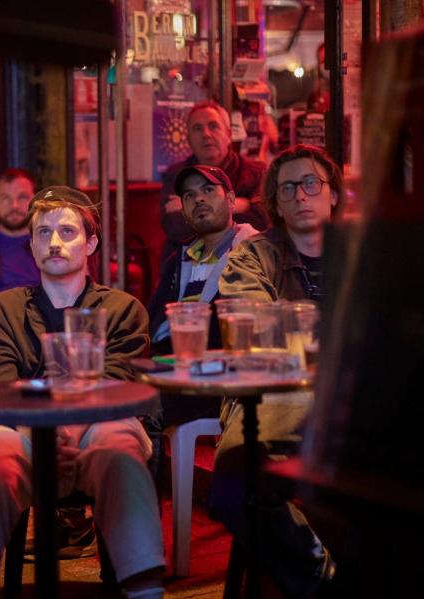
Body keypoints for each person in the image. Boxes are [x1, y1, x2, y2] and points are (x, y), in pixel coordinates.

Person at [0, 186, 165, 599]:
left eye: (67, 231)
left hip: (97, 425)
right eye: (43, 233)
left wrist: (61, 433)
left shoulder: (122, 309)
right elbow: (0, 388)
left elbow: (114, 385)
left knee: (119, 444)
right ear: (31, 245)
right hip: (18, 431)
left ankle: (141, 587)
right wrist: (39, 437)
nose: (55, 242)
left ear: (91, 242)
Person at [210, 145, 341, 597]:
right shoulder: (253, 256)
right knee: (233, 482)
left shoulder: (368, 253)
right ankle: (322, 578)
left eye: (311, 184)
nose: (301, 195)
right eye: (288, 188)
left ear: (333, 195)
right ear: (276, 203)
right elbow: (255, 334)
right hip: (272, 392)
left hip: (355, 396)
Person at [144, 165, 260, 480]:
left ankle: (142, 522)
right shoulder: (177, 260)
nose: (199, 200)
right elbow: (153, 323)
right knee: (110, 397)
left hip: (222, 381)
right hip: (171, 372)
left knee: (142, 410)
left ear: (232, 200)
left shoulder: (254, 253)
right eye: (190, 195)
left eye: (209, 190)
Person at [160, 101, 269, 248]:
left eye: (213, 126)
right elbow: (176, 227)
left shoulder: (257, 172)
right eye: (198, 128)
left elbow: (263, 219)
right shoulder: (174, 176)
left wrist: (195, 209)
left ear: (229, 134)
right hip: (190, 262)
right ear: (188, 140)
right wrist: (242, 205)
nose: (206, 134)